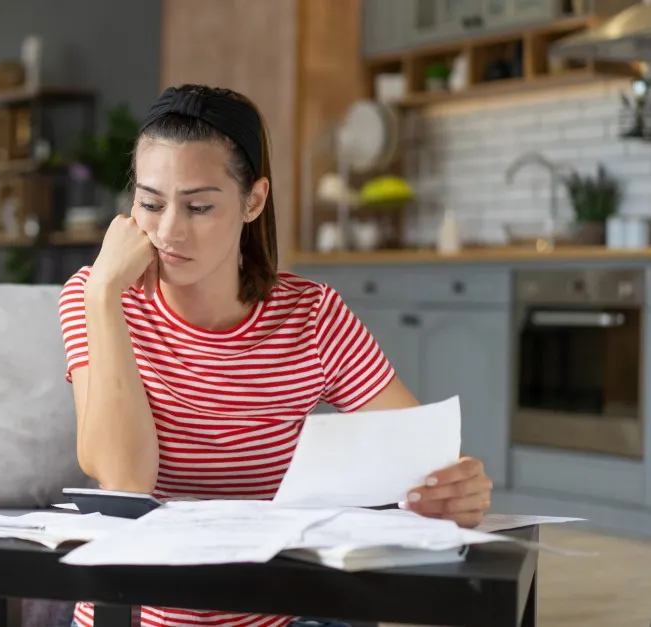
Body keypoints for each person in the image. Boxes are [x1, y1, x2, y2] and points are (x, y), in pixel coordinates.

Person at [56, 84, 494, 627]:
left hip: (281, 614)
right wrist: (104, 294)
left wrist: (455, 487)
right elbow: (125, 481)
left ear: (253, 201)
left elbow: (421, 456)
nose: (168, 231)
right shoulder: (94, 296)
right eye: (150, 204)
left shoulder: (312, 314)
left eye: (199, 206)